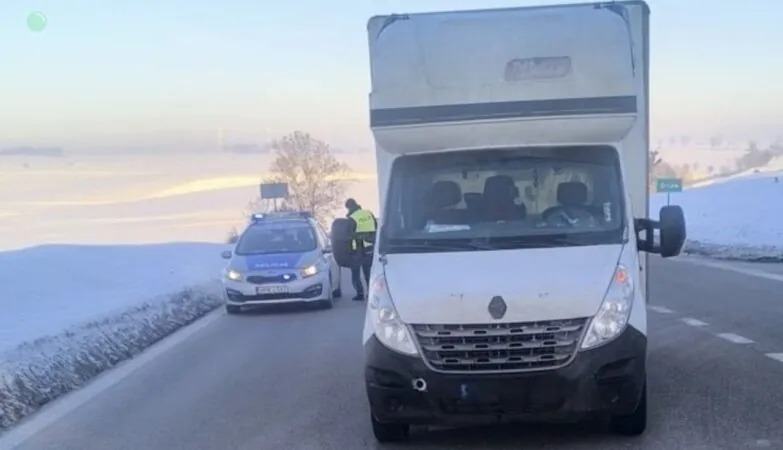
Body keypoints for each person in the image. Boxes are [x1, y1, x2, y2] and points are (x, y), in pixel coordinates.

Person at [346, 198, 377, 301]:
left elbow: (348, 236)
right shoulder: (369, 213)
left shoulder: (352, 218)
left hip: (357, 249)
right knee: (369, 272)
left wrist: (348, 250)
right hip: (370, 246)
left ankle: (360, 293)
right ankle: (371, 292)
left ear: (349, 207)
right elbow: (376, 227)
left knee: (355, 273)